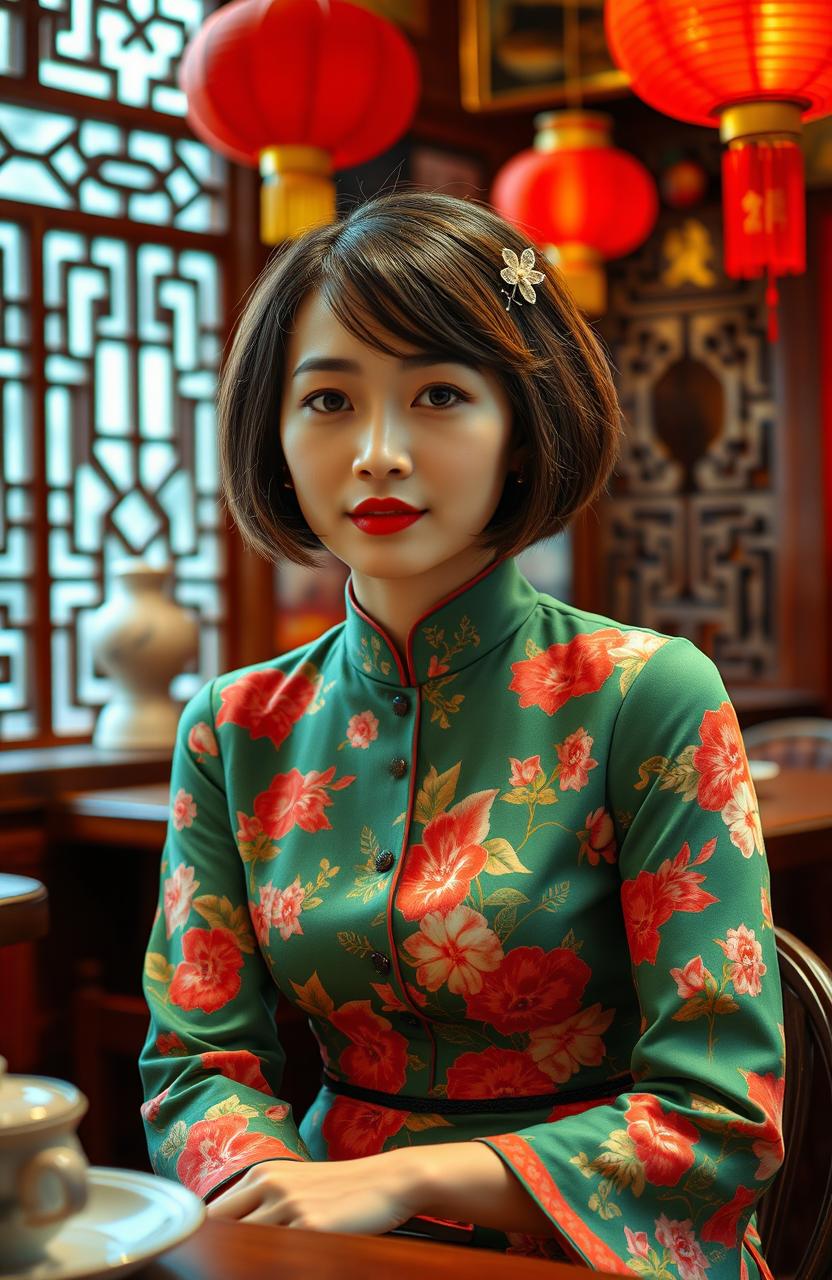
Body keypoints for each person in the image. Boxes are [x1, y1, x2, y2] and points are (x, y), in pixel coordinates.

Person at [139, 190, 784, 1276]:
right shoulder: (236, 727)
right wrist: (275, 1188)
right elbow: (197, 1063)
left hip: (600, 1243)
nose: (380, 452)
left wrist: (399, 1175)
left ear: (523, 427)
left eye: (438, 393)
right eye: (329, 399)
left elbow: (719, 1110)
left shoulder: (648, 691)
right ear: (275, 433)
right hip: (312, 1242)